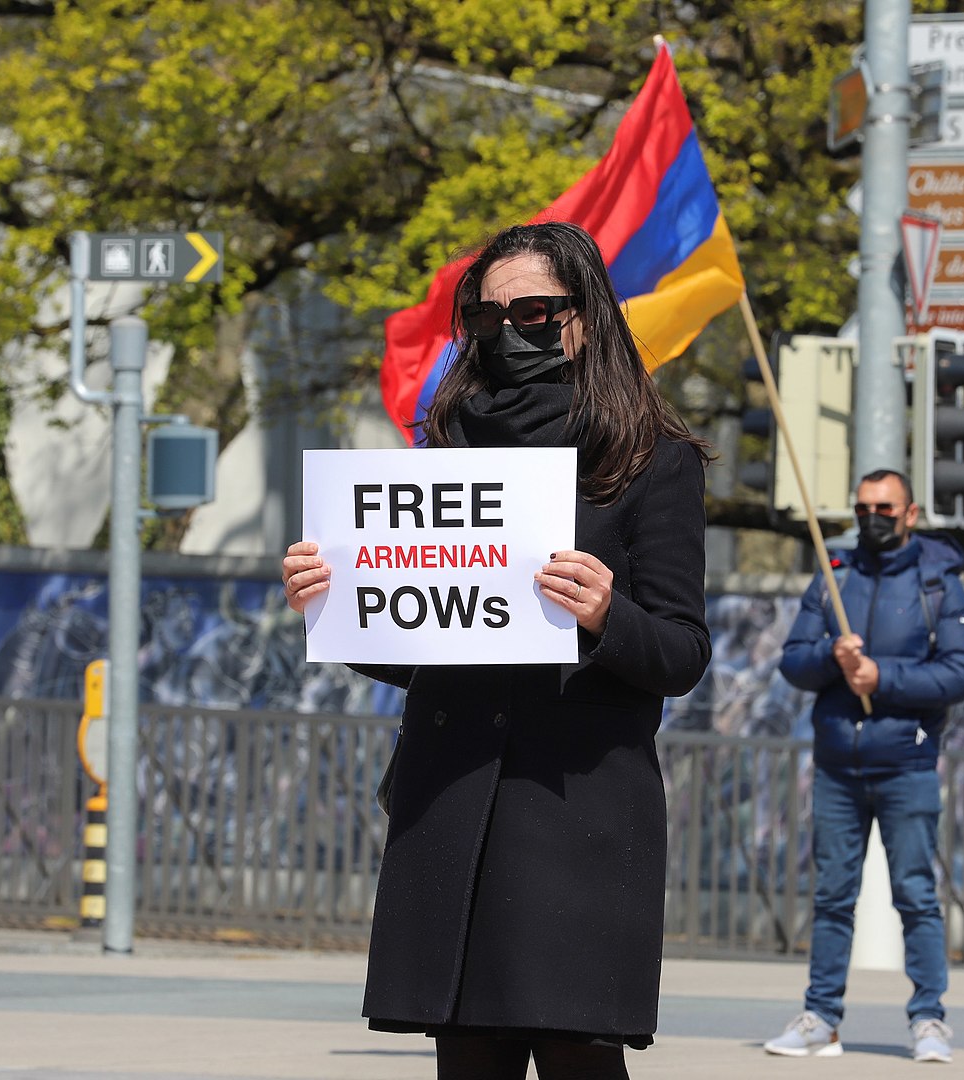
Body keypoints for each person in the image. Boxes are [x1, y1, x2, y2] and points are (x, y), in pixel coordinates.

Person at [282, 221, 711, 1080]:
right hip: (454, 802)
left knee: (575, 1056)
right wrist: (343, 605)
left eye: (537, 313)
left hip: (577, 814)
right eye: (485, 319)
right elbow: (426, 649)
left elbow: (680, 651)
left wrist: (605, 614)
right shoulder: (442, 458)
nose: (511, 334)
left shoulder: (649, 461)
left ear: (585, 317)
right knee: (468, 1059)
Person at [762, 470, 964, 1065]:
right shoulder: (836, 572)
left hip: (906, 764)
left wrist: (884, 677)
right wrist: (835, 660)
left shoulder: (938, 582)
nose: (871, 518)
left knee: (915, 894)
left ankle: (930, 1019)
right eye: (862, 508)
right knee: (833, 895)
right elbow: (793, 662)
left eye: (884, 508)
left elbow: (962, 672)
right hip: (837, 765)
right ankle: (821, 1017)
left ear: (911, 514)